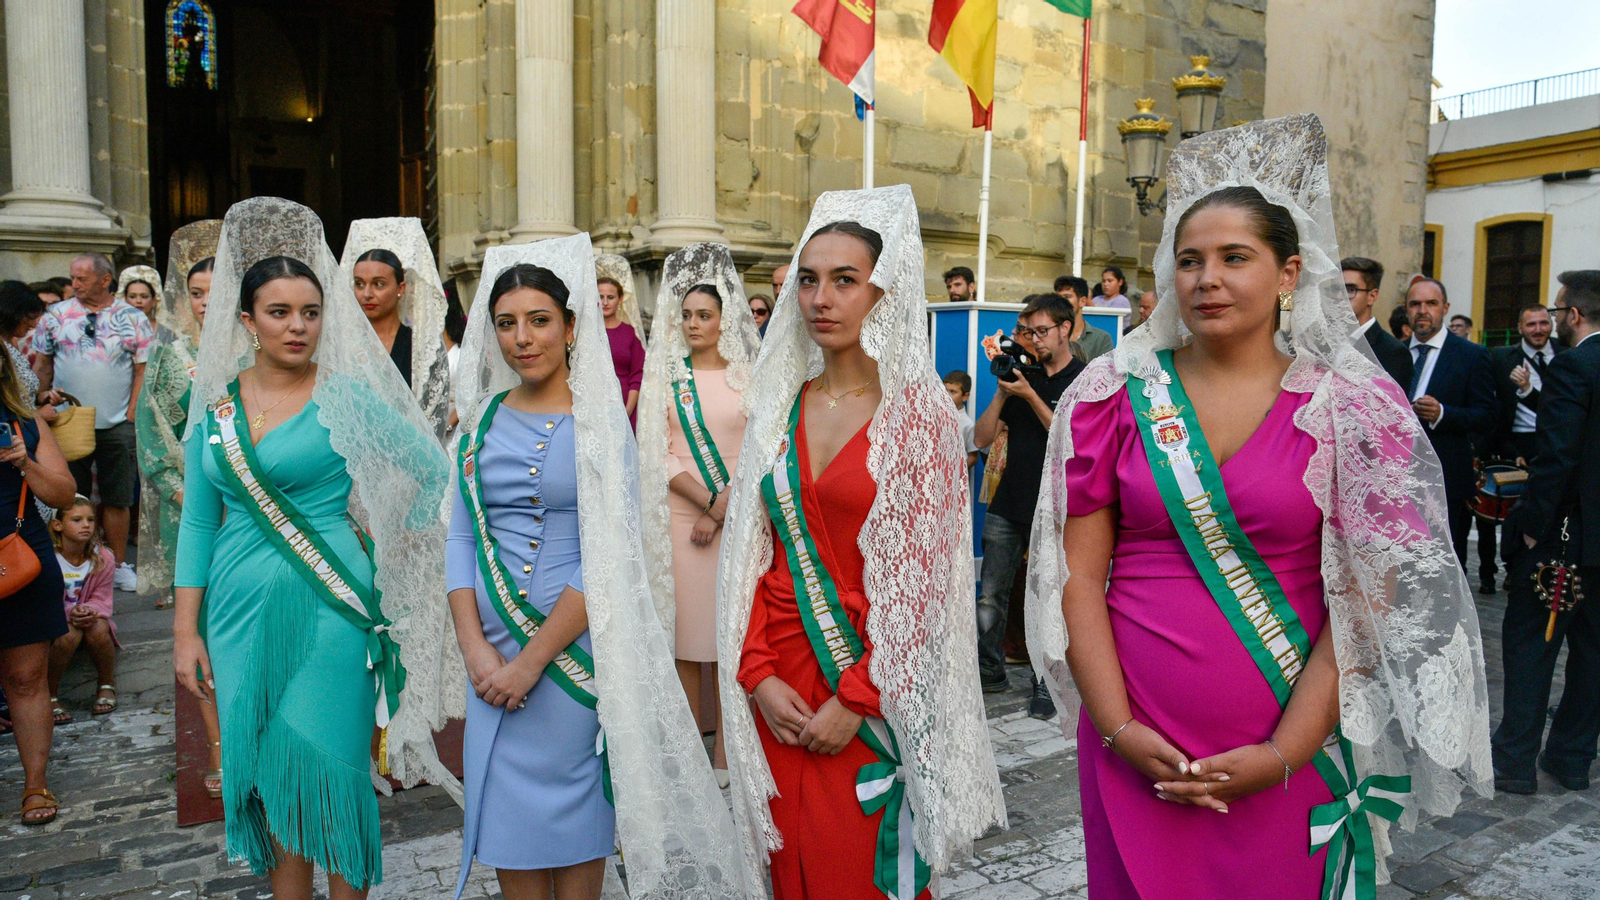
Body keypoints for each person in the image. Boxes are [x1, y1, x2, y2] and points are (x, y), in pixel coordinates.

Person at [1025, 115, 1493, 900]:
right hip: (1134, 737)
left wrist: (1286, 750)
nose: (1207, 278)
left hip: (1290, 739)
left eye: (1235, 257)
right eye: (1189, 261)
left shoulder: (1350, 409)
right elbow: (1077, 576)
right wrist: (1116, 728)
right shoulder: (1112, 399)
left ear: (1289, 273)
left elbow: (1371, 597)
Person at [719, 185, 1006, 899]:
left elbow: (928, 584)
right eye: (809, 280)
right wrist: (757, 672)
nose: (821, 297)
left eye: (846, 280)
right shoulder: (777, 405)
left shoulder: (921, 419)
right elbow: (757, 555)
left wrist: (860, 694)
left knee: (863, 873)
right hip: (782, 678)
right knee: (791, 875)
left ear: (886, 292)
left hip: (871, 693)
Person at [447, 236, 752, 900]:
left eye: (539, 321)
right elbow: (461, 541)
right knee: (506, 819)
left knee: (576, 814)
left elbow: (609, 555)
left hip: (570, 657)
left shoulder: (601, 427)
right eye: (506, 323)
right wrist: (474, 648)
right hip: (489, 662)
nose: (522, 338)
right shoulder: (478, 425)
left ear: (571, 327)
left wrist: (529, 663)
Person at [172, 198, 454, 898]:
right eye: (279, 312)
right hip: (234, 614)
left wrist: (382, 549)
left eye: (310, 311)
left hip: (330, 606)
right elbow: (199, 524)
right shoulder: (217, 412)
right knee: (268, 778)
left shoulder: (347, 398)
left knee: (330, 771)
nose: (297, 326)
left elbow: (431, 472)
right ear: (246, 321)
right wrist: (184, 630)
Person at [636, 242, 761, 796]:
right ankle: (690, 752)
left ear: (724, 319)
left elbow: (765, 445)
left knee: (732, 639)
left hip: (740, 516)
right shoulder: (668, 377)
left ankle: (729, 751)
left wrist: (725, 505)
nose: (692, 324)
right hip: (681, 518)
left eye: (703, 315)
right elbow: (655, 452)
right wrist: (707, 504)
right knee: (688, 642)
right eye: (686, 315)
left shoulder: (748, 376)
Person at [1495, 270, 1600, 794]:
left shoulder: (1574, 367)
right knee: (1593, 657)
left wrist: (1531, 533)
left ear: (1574, 316)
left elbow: (1556, 458)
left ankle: (1515, 762)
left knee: (1532, 648)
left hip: (1562, 542)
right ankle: (1573, 759)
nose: (1555, 320)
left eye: (1557, 312)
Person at [974, 293, 1085, 716]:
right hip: (1008, 503)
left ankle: (1047, 681)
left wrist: (1032, 396)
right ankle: (990, 670)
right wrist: (1004, 393)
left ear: (1066, 329)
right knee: (991, 596)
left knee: (1047, 599)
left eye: (1041, 331)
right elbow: (982, 439)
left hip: (1054, 507)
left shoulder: (1084, 379)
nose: (1034, 340)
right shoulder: (1024, 374)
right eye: (1027, 332)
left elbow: (1071, 440)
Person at [32, 252, 154, 592]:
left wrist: (132, 413)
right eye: (73, 278)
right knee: (71, 496)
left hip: (117, 423)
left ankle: (116, 563)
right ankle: (75, 563)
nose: (75, 284)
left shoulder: (132, 317)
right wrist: (37, 403)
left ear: (104, 279)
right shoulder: (56, 314)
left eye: (82, 278)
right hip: (67, 420)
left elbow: (143, 368)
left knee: (117, 497)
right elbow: (42, 363)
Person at [0, 328, 77, 826]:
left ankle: (35, 783)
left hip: (20, 561)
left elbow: (65, 494)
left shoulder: (23, 419)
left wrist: (24, 463)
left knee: (27, 678)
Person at [137, 221, 220, 612]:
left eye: (215, 291)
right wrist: (185, 496)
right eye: (196, 293)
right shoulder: (168, 357)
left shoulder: (261, 352)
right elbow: (150, 436)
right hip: (187, 502)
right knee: (195, 615)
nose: (205, 301)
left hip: (252, 499)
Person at [1405, 277, 1497, 564]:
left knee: (1443, 566)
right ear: (1406, 310)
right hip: (1395, 480)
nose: (1423, 310)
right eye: (1415, 304)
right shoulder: (1392, 354)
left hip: (1445, 480)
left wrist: (1443, 413)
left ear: (1444, 308)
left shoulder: (1471, 355)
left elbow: (1487, 415)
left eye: (1431, 303)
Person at [342, 218, 453, 442]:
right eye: (359, 284)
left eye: (379, 284)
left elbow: (432, 416)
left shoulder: (422, 348)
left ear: (400, 288)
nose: (367, 294)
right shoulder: (345, 345)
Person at [1480, 304, 1561, 594]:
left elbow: (1558, 411)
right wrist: (1509, 449)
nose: (1538, 329)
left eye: (1543, 323)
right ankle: (1497, 572)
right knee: (1503, 512)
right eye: (1531, 324)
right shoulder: (1501, 357)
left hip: (1553, 441)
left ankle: (1538, 569)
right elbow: (1495, 409)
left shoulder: (1566, 354)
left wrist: (1527, 390)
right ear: (1519, 328)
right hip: (1514, 442)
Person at [46, 495, 118, 721]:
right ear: (58, 525)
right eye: (76, 520)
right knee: (68, 634)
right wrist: (70, 613)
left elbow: (103, 599)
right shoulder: (48, 559)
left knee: (99, 628)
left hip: (90, 618)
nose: (86, 525)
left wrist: (88, 610)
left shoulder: (103, 557)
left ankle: (106, 684)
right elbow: (46, 602)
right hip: (57, 622)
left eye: (90, 520)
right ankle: (50, 694)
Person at [1340, 256, 1413, 389]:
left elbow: (1392, 407)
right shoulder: (1325, 343)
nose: (1340, 297)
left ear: (1372, 297)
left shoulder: (1394, 352)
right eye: (1336, 289)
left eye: (1350, 290)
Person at [595, 261, 645, 427]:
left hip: (624, 406)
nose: (605, 302)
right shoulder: (586, 333)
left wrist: (627, 412)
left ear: (620, 299)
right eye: (600, 297)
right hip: (593, 406)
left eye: (610, 297)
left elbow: (637, 375)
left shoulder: (631, 334)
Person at [0, 282, 46, 411]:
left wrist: (39, 398)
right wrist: (38, 415)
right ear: (12, 314)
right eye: (30, 318)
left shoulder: (9, 344)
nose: (33, 325)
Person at [1052, 276, 1115, 360]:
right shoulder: (1049, 334)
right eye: (1058, 298)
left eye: (1067, 297)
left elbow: (1104, 371)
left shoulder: (1101, 338)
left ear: (1082, 301)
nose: (1060, 302)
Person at [943, 371, 979, 468]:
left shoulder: (968, 425)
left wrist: (957, 474)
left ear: (965, 396)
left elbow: (973, 457)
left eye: (953, 392)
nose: (947, 396)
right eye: (945, 391)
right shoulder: (936, 417)